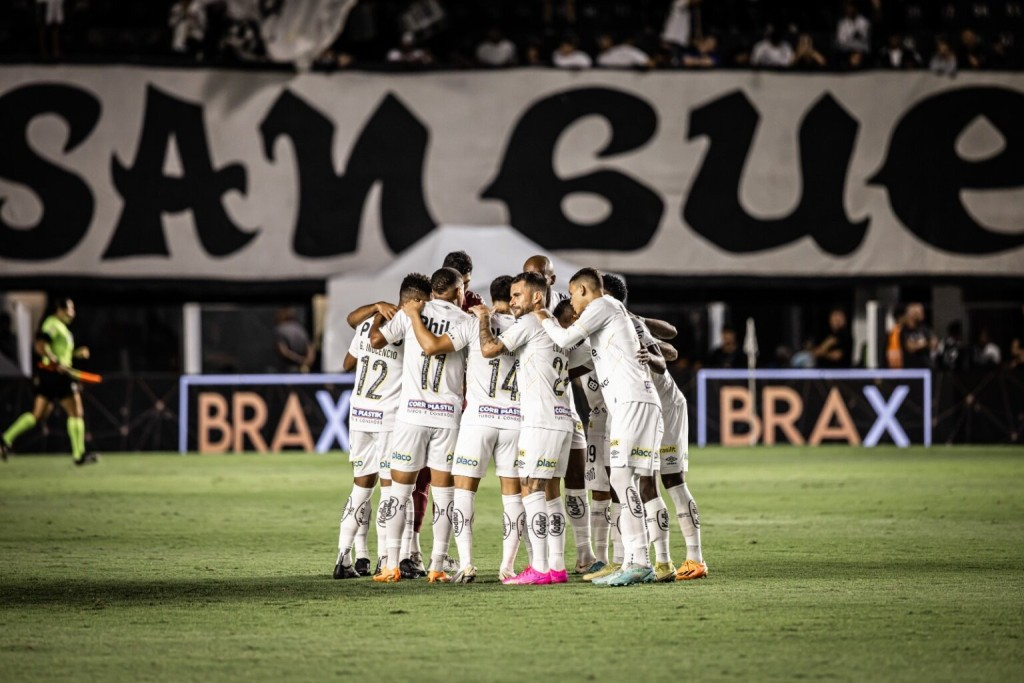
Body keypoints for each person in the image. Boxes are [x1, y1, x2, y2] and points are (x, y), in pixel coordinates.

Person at [536, 268, 664, 586]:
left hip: (632, 402)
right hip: (632, 403)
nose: (574, 306)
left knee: (621, 477)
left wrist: (542, 316)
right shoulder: (609, 316)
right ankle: (636, 561)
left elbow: (565, 337)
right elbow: (575, 356)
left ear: (582, 289)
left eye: (573, 295)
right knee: (628, 479)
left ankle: (641, 562)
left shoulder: (602, 306)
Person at [401, 275, 524, 583]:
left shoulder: (471, 322)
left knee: (463, 493)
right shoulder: (527, 329)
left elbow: (435, 346)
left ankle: (467, 563)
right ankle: (507, 567)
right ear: (512, 298)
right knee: (512, 497)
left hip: (478, 420)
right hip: (514, 422)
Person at [474, 272, 591, 585]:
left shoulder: (530, 322)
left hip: (541, 421)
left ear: (537, 296)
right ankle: (555, 567)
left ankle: (538, 567)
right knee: (551, 494)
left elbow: (489, 350)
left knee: (530, 488)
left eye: (517, 295)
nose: (512, 302)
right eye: (510, 296)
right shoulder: (557, 327)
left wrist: (484, 318)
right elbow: (585, 358)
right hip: (563, 418)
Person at [601, 274, 706, 581]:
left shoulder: (628, 323)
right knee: (646, 481)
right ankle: (661, 561)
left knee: (671, 479)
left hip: (664, 404)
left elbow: (665, 356)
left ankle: (694, 558)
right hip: (645, 407)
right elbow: (670, 346)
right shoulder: (621, 324)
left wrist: (648, 343)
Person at [369, 267, 471, 583]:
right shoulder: (466, 322)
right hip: (447, 419)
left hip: (411, 416)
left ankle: (390, 564)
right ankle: (437, 565)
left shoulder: (414, 310)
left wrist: (388, 312)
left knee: (398, 494)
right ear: (458, 292)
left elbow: (375, 340)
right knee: (444, 497)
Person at [332, 273, 431, 580]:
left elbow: (348, 363)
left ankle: (344, 556)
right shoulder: (410, 326)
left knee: (361, 487)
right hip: (390, 417)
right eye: (425, 303)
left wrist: (373, 319)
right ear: (415, 301)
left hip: (359, 414)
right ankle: (389, 559)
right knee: (395, 488)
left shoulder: (368, 322)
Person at [523, 255, 601, 573]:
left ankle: (584, 554)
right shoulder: (521, 309)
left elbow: (583, 354)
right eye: (528, 274)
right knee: (538, 487)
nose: (533, 279)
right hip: (532, 413)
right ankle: (544, 561)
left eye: (540, 274)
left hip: (563, 408)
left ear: (552, 279)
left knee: (574, 481)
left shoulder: (564, 311)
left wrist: (561, 371)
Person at [1, 297, 97, 465]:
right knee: (76, 413)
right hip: (56, 376)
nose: (72, 313)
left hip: (51, 375)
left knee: (37, 414)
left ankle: (5, 439)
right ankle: (79, 454)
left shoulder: (61, 327)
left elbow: (58, 354)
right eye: (69, 309)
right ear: (59, 310)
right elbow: (40, 345)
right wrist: (55, 362)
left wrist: (75, 354)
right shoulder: (52, 324)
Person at [274, 308, 315, 373]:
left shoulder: (280, 329)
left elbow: (283, 351)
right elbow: (310, 347)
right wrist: (308, 360)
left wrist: (299, 359)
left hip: (289, 368)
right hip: (305, 366)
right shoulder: (301, 328)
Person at [900, 303, 935, 369]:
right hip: (911, 369)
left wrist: (921, 343)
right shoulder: (904, 330)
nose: (923, 314)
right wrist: (925, 343)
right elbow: (910, 347)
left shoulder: (924, 328)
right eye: (919, 312)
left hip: (926, 367)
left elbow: (934, 343)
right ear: (912, 314)